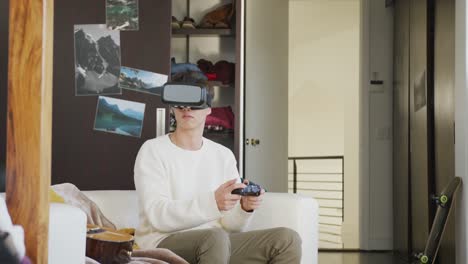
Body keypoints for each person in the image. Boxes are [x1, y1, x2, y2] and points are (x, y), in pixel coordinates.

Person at [134, 100, 302, 263]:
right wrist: (214, 202)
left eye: (194, 103)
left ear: (208, 109)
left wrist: (244, 208)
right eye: (180, 103)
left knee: (287, 240)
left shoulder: (223, 155)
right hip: (164, 241)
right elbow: (158, 216)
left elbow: (230, 226)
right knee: (215, 238)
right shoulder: (152, 150)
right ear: (173, 108)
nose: (186, 108)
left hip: (216, 244)